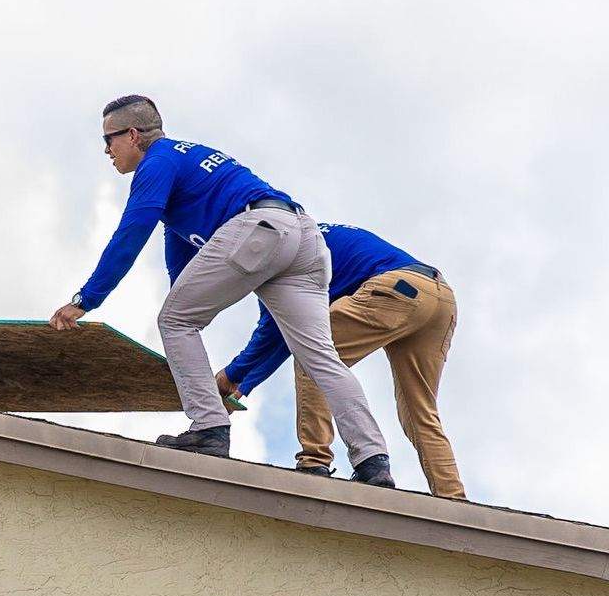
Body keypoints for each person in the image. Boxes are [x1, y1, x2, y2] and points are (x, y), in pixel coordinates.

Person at [49, 95, 394, 487]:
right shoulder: (186, 166)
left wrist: (85, 299)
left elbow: (130, 233)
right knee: (320, 358)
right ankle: (373, 462)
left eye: (108, 140)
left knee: (173, 320)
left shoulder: (157, 163)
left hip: (259, 230)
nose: (106, 151)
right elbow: (182, 268)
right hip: (304, 237)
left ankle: (209, 428)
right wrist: (191, 316)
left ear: (132, 135)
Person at [217, 223, 465, 498]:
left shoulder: (276, 255)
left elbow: (273, 330)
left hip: (393, 288)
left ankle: (315, 462)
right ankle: (452, 497)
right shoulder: (307, 234)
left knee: (314, 355)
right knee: (419, 411)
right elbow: (282, 331)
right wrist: (245, 383)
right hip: (440, 299)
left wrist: (231, 375)